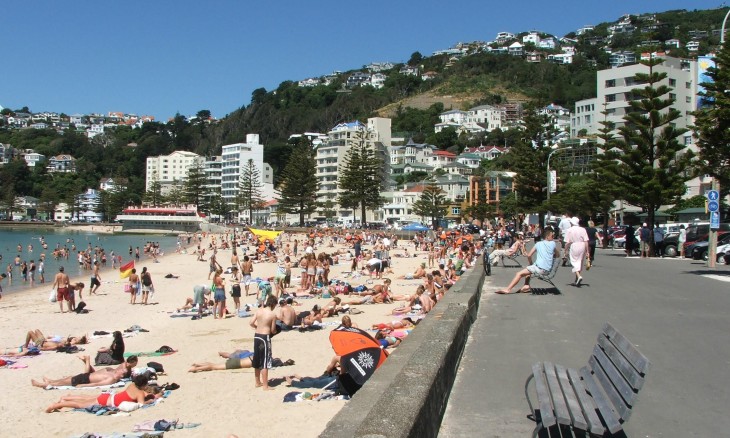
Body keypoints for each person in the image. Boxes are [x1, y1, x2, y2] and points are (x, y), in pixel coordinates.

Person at [44, 374, 155, 413]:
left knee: (86, 400)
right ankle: (56, 405)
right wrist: (150, 400)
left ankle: (65, 399)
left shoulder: (132, 385)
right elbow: (141, 405)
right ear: (143, 385)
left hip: (109, 397)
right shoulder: (140, 393)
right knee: (80, 405)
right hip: (107, 401)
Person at [495, 227, 560, 294]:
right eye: (552, 235)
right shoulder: (553, 243)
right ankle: (526, 286)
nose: (553, 237)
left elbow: (529, 255)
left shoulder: (538, 244)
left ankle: (508, 289)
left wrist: (531, 263)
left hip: (540, 269)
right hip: (547, 269)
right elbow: (558, 255)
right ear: (548, 236)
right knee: (529, 268)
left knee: (519, 274)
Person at [32, 354, 137, 388]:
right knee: (66, 379)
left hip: (85, 380)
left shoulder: (112, 379)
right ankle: (50, 381)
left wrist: (83, 386)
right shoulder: (116, 373)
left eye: (122, 373)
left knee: (62, 383)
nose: (120, 371)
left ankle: (42, 384)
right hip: (85, 377)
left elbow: (97, 384)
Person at [250, 294, 278, 390]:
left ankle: (257, 382)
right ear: (273, 304)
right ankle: (265, 386)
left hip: (257, 336)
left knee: (257, 359)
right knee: (264, 361)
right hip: (265, 337)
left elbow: (251, 322)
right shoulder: (272, 314)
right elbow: (273, 330)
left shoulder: (259, 311)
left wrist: (257, 327)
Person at [564, 217, 589, 286]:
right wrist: (587, 252)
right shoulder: (583, 229)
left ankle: (578, 276)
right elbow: (586, 241)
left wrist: (565, 250)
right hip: (582, 245)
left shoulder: (569, 230)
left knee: (574, 262)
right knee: (580, 261)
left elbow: (567, 242)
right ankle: (576, 279)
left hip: (574, 245)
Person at [23, 330, 88, 351]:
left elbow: (50, 348)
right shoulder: (63, 343)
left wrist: (41, 349)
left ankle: (25, 346)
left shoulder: (60, 345)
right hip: (43, 341)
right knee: (37, 330)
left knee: (30, 332)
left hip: (40, 343)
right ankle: (27, 345)